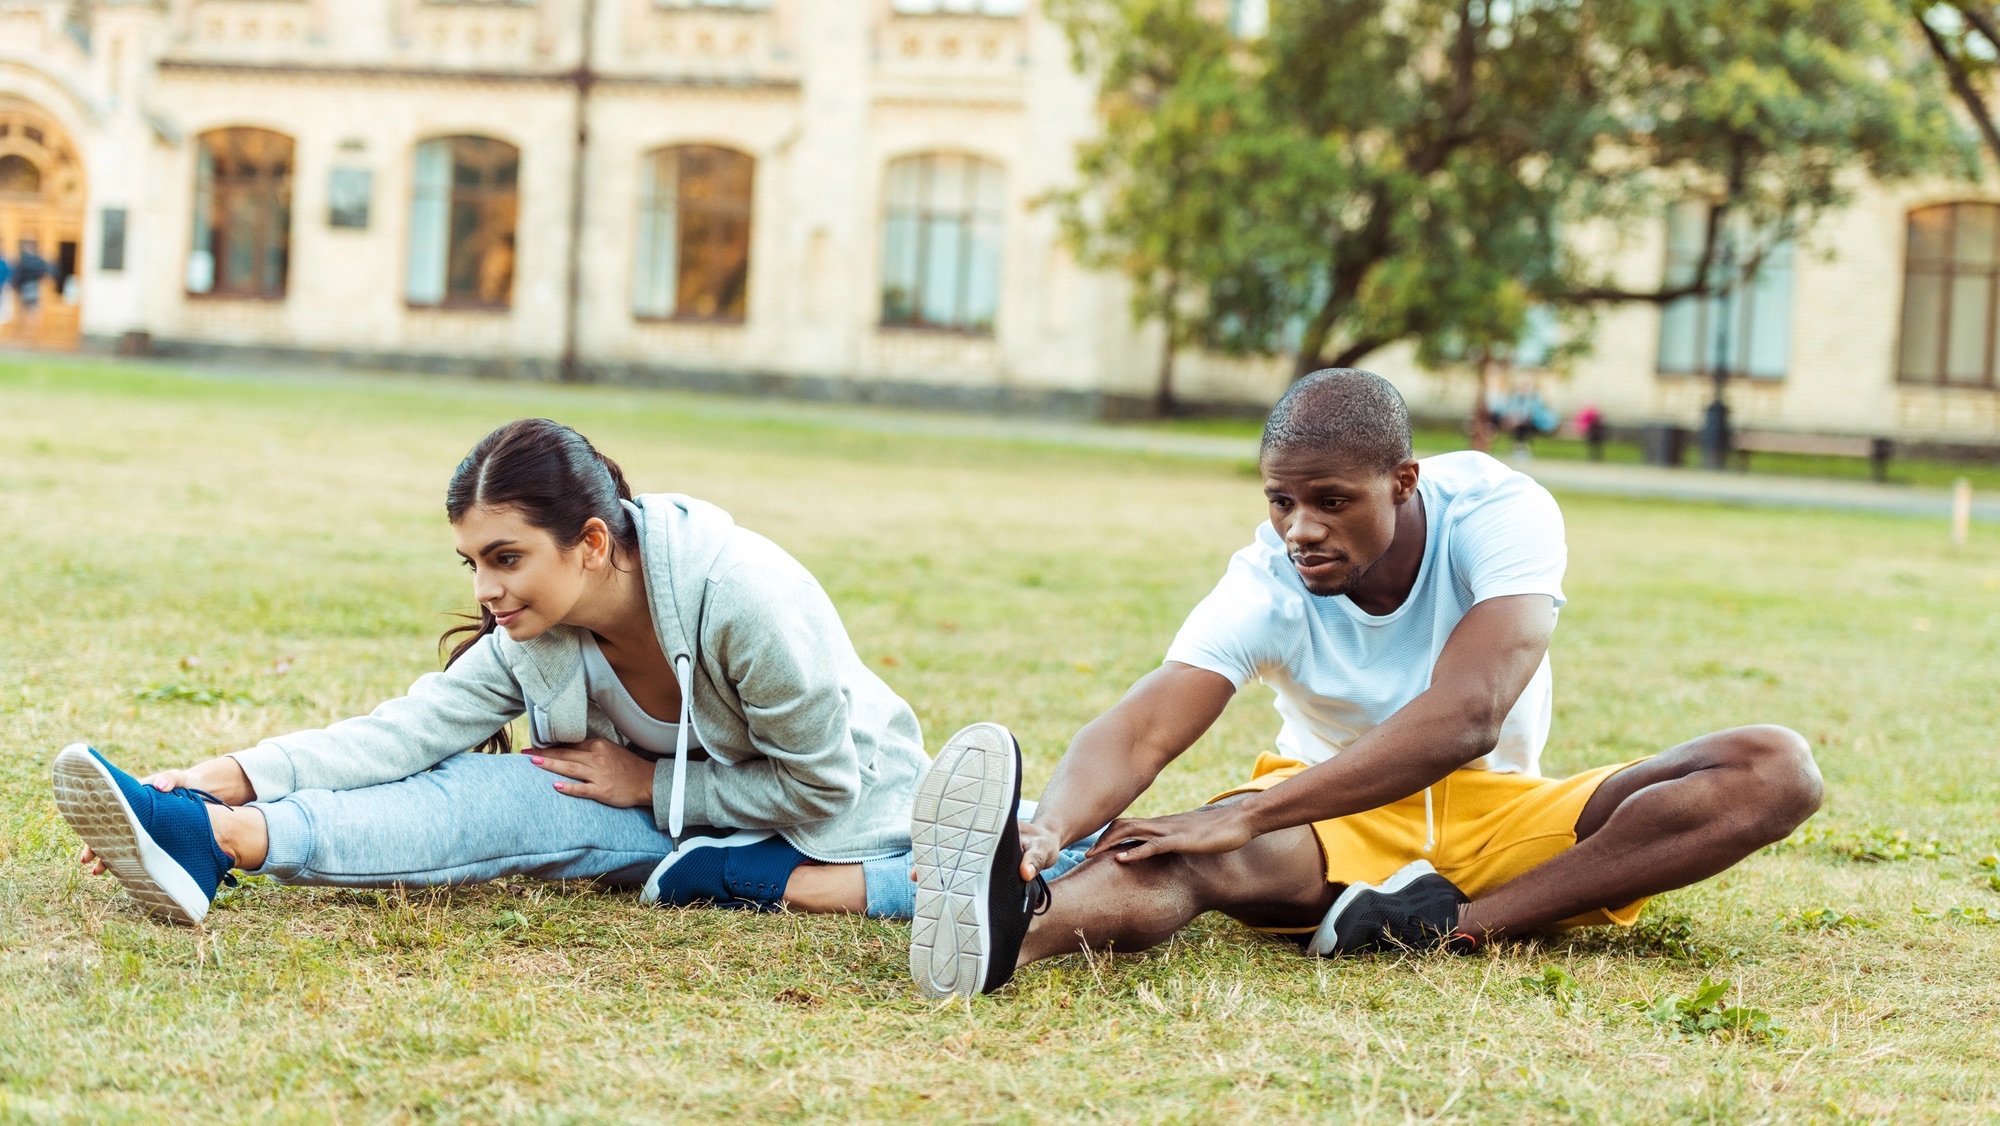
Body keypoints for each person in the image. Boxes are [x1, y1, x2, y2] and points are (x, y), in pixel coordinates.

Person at [907, 369, 1823, 999]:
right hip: (1328, 824)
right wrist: (1050, 825)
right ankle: (1007, 930)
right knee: (1179, 854)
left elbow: (1470, 716)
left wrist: (1247, 809)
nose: (1300, 528)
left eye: (1331, 501)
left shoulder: (1501, 513)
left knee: (1775, 768)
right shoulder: (1265, 580)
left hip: (1501, 808)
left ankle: (1459, 927)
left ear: (1403, 482)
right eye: (1280, 501)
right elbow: (1146, 724)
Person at [52, 418, 976, 926]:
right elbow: (405, 731)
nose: (489, 590)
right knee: (472, 789)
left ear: (591, 541)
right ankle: (206, 833)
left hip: (842, 821)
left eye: (506, 557)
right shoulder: (539, 625)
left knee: (500, 803)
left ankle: (955, 875)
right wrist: (230, 772)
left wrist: (653, 783)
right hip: (668, 814)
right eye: (474, 565)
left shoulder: (745, 598)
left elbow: (823, 784)